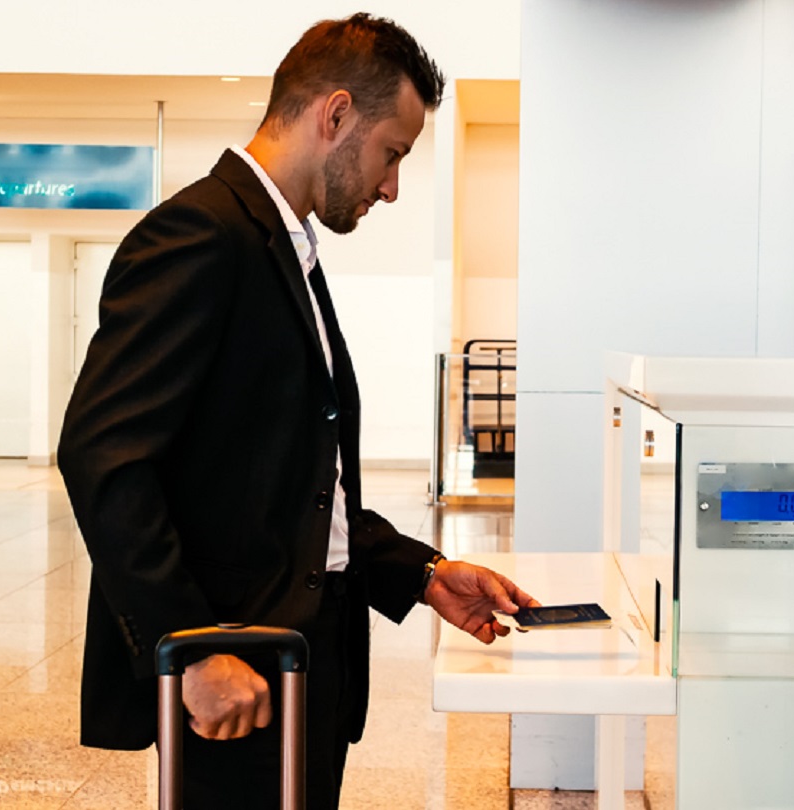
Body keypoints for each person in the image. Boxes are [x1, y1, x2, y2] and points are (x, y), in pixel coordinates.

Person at [56, 14, 537, 810]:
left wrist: (422, 573)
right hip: (233, 675)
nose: (390, 185)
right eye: (394, 153)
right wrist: (193, 650)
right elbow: (102, 456)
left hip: (298, 665)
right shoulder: (201, 235)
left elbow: (293, 486)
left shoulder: (286, 247)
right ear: (336, 114)